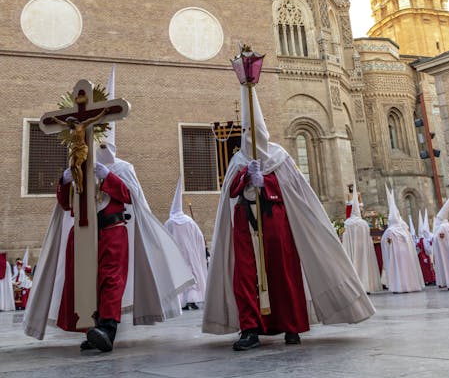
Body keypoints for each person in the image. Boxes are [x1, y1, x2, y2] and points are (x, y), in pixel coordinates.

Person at [24, 78, 194, 352]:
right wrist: (65, 180)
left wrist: (109, 177)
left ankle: (107, 329)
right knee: (85, 282)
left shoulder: (123, 168)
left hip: (113, 229)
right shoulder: (78, 164)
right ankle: (93, 328)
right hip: (82, 232)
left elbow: (130, 197)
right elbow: (66, 205)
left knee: (111, 279)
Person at [202, 84, 375, 351]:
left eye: (255, 130)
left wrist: (266, 182)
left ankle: (291, 325)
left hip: (276, 222)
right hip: (244, 223)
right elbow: (231, 193)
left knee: (283, 273)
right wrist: (245, 176)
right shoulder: (238, 160)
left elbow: (296, 192)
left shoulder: (280, 157)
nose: (252, 136)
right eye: (248, 131)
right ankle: (250, 328)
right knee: (245, 276)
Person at [165, 176, 208, 310]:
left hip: (177, 256)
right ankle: (192, 300)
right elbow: (199, 237)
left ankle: (182, 302)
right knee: (192, 275)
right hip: (191, 255)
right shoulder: (189, 221)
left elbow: (164, 240)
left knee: (179, 277)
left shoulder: (169, 223)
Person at [381, 187, 424, 293]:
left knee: (398, 269)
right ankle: (410, 285)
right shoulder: (403, 229)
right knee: (406, 268)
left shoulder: (390, 230)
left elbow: (384, 242)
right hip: (406, 253)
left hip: (396, 254)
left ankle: (400, 286)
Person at [342, 182, 382, 294]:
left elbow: (345, 239)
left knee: (354, 261)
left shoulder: (348, 224)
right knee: (363, 263)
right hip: (363, 248)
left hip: (352, 248)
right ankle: (366, 285)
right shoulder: (364, 224)